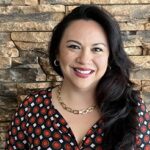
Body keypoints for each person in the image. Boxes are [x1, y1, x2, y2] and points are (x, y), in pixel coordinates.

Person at [5, 4, 150, 150]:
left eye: (97, 49)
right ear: (57, 52)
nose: (84, 59)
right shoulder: (31, 108)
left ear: (110, 57)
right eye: (74, 46)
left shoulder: (132, 109)